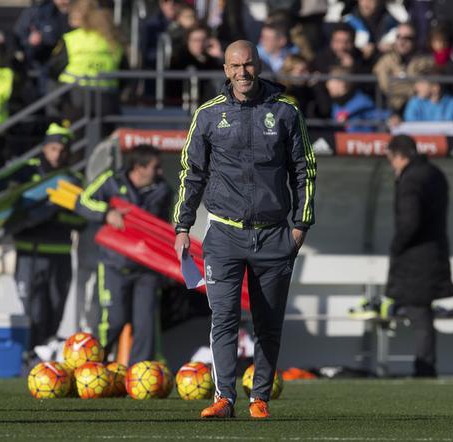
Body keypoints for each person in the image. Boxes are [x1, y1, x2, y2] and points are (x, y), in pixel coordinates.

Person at [173, 40, 316, 419]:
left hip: (274, 235)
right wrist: (183, 225)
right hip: (223, 235)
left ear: (259, 65)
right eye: (235, 66)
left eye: (249, 65)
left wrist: (300, 226)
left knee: (268, 324)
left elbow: (305, 169)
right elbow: (192, 173)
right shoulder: (207, 115)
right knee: (223, 319)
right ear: (225, 69)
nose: (243, 72)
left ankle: (260, 399)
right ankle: (224, 399)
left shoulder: (286, 111)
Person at [76, 145, 172, 364]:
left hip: (147, 269)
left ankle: (141, 374)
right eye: (155, 167)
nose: (160, 172)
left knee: (146, 324)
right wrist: (106, 213)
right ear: (139, 167)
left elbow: (168, 227)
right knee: (112, 321)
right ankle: (92, 366)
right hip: (114, 264)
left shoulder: (164, 190)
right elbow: (83, 201)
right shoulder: (111, 181)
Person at [385, 134, 453, 378]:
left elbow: (410, 221)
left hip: (416, 258)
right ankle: (424, 366)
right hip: (435, 251)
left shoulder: (411, 179)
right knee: (422, 311)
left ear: (399, 156)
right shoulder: (435, 173)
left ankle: (424, 368)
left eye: (390, 159)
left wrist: (396, 246)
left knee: (419, 312)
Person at [11, 123, 84, 357]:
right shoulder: (25, 173)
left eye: (62, 150)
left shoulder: (73, 179)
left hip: (60, 252)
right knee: (33, 311)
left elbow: (81, 219)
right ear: (44, 149)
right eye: (53, 148)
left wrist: (52, 213)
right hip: (28, 252)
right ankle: (30, 355)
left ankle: (45, 356)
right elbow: (12, 209)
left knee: (55, 309)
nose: (57, 154)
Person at [48, 0, 126, 122]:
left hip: (76, 102)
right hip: (107, 103)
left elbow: (53, 68)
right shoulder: (113, 41)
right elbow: (125, 75)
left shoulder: (72, 39)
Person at [373, 22, 434, 113]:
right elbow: (386, 86)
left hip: (420, 110)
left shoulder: (426, 61)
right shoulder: (385, 61)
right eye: (398, 37)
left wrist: (398, 81)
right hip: (392, 109)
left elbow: (429, 87)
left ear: (415, 40)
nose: (402, 42)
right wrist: (415, 88)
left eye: (407, 38)